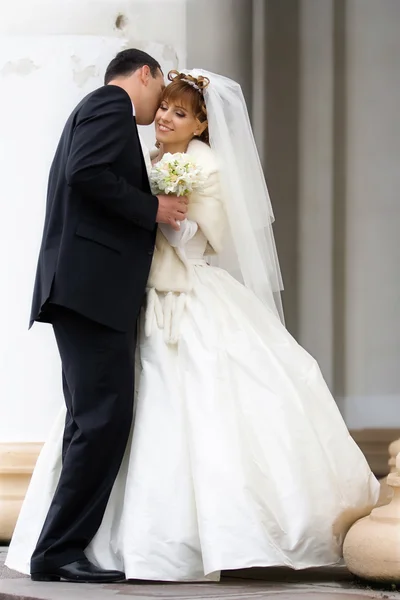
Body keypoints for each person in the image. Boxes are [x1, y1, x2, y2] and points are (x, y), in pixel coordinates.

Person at [7, 69, 380, 583]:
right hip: (139, 302)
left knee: (194, 412)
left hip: (184, 299)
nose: (164, 117)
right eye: (164, 107)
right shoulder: (155, 160)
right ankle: (89, 543)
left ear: (203, 125)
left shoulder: (204, 167)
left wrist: (164, 212)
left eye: (180, 113)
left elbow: (194, 241)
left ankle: (189, 541)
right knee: (107, 416)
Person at [10, 50, 189, 584]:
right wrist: (151, 208)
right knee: (102, 420)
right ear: (145, 74)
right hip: (91, 293)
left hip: (85, 292)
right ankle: (58, 551)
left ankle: (58, 549)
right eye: (161, 91)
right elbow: (86, 171)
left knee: (90, 420)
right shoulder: (109, 105)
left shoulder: (96, 108)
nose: (159, 108)